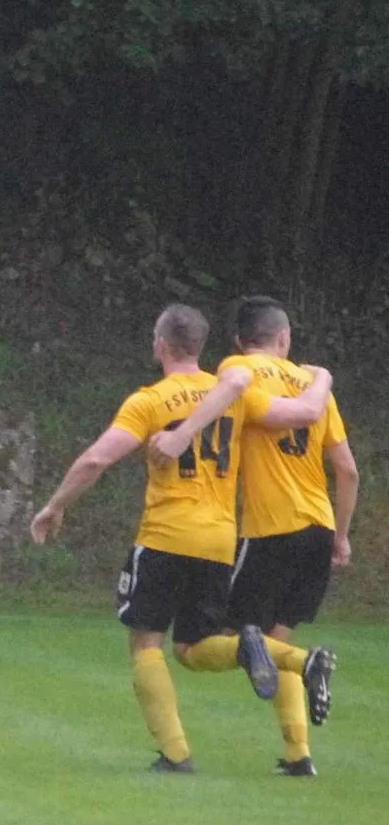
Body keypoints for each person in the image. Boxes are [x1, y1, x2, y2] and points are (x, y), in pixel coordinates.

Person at [30, 303, 337, 773]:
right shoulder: (233, 392)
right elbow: (300, 413)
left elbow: (97, 459)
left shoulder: (150, 400)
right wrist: (322, 377)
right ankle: (294, 658)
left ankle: (175, 754)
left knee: (146, 643)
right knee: (193, 648)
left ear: (160, 345)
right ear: (200, 345)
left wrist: (55, 505)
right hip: (219, 541)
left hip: (165, 536)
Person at [144, 296, 356, 775]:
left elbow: (262, 412)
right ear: (284, 337)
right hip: (319, 529)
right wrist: (341, 536)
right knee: (276, 639)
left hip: (270, 529)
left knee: (205, 644)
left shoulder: (238, 369)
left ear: (240, 341)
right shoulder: (314, 385)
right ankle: (298, 755)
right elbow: (346, 470)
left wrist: (181, 435)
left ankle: (308, 662)